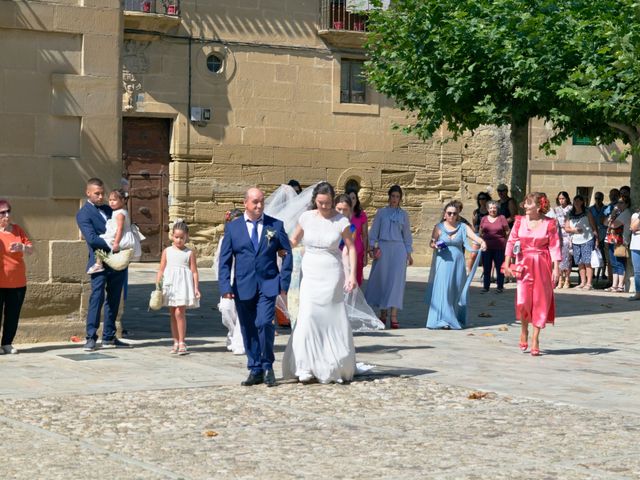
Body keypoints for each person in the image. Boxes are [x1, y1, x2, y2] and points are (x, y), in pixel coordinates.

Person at [282, 182, 357, 384]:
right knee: (307, 316)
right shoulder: (306, 217)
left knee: (330, 317)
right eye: (320, 203)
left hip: (332, 273)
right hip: (311, 273)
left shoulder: (341, 220)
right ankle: (304, 364)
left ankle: (333, 362)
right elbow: (294, 240)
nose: (324, 207)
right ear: (315, 200)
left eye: (328, 203)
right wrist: (275, 243)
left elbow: (351, 247)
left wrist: (351, 276)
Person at [218, 187, 293, 387]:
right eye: (255, 202)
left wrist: (283, 281)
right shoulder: (233, 229)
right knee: (248, 327)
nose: (259, 206)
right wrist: (225, 286)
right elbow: (225, 260)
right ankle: (255, 368)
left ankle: (268, 365)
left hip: (268, 284)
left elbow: (286, 253)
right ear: (245, 203)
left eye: (261, 201)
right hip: (243, 286)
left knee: (264, 323)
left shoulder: (275, 225)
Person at [504, 192, 561, 357]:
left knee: (540, 301)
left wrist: (556, 268)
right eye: (525, 203)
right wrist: (507, 263)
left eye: (528, 203)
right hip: (523, 263)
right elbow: (511, 241)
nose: (525, 206)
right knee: (523, 302)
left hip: (542, 263)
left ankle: (535, 338)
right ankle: (524, 330)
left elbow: (555, 246)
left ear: (538, 206)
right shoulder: (519, 221)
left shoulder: (549, 223)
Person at [76, 178, 129, 351]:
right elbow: (91, 239)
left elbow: (122, 226)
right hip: (99, 260)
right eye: (97, 194)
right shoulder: (83, 214)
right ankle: (91, 337)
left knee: (114, 299)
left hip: (117, 260)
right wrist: (114, 243)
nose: (101, 197)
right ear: (88, 192)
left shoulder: (109, 209)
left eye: (102, 193)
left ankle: (109, 337)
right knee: (96, 299)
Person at [425, 201, 487, 329]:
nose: (452, 215)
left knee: (456, 289)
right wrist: (435, 244)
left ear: (458, 215)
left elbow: (475, 237)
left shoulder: (463, 227)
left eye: (455, 213)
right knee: (443, 289)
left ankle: (453, 317)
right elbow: (432, 242)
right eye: (449, 213)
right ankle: (443, 320)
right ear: (445, 215)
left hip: (458, 263)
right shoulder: (438, 227)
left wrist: (483, 242)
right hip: (443, 262)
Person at [365, 185, 413, 329]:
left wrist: (408, 253)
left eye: (397, 197)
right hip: (384, 249)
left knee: (396, 283)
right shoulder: (381, 213)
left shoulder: (404, 215)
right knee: (383, 281)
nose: (394, 199)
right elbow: (374, 232)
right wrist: (372, 247)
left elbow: (407, 235)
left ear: (400, 199)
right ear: (389, 197)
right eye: (392, 196)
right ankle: (383, 313)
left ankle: (394, 316)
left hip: (399, 250)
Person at [335, 195, 384, 332]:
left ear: (349, 211)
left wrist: (349, 274)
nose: (341, 213)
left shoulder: (351, 228)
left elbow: (346, 250)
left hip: (339, 262)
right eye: (338, 209)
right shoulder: (325, 224)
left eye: (344, 210)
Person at [157, 220, 200, 355]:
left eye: (182, 237)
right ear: (172, 236)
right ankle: (175, 341)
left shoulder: (189, 253)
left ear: (186, 236)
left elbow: (194, 271)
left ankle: (182, 341)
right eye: (176, 237)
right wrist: (158, 285)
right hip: (170, 284)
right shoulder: (167, 251)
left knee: (179, 312)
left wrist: (196, 288)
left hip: (183, 284)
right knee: (172, 313)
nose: (179, 240)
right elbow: (161, 269)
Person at [0, 199, 33, 354]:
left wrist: (23, 247)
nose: (7, 215)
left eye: (8, 211)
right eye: (2, 212)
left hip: (18, 281)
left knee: (13, 315)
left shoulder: (18, 230)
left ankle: (7, 343)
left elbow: (31, 249)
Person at [86, 188, 141, 274]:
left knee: (99, 242)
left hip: (122, 238)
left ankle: (98, 264)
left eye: (114, 200)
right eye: (110, 200)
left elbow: (120, 229)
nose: (111, 202)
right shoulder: (118, 211)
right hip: (119, 236)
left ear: (123, 200)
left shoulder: (120, 214)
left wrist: (116, 243)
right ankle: (99, 263)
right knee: (101, 242)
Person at [213, 209, 245, 355]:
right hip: (229, 278)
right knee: (226, 309)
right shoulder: (224, 239)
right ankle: (232, 332)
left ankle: (239, 340)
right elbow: (220, 261)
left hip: (243, 278)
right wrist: (222, 282)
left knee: (241, 311)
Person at [564, 195, 598, 290]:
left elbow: (593, 226)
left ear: (582, 202)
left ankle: (589, 283)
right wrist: (574, 230)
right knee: (579, 262)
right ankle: (582, 282)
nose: (577, 203)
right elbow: (566, 228)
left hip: (588, 239)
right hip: (575, 241)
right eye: (575, 201)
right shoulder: (570, 214)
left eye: (579, 201)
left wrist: (597, 239)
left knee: (587, 262)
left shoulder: (587, 212)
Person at [479, 200, 509, 293]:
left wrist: (506, 241)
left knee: (499, 267)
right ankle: (486, 287)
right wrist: (482, 241)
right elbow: (481, 231)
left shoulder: (501, 218)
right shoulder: (484, 218)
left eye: (494, 208)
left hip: (499, 246)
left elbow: (507, 231)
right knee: (486, 267)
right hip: (486, 247)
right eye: (491, 208)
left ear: (497, 209)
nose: (493, 210)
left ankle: (500, 287)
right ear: (488, 209)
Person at [604, 199, 632, 293]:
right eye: (618, 202)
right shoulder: (618, 213)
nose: (619, 204)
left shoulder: (626, 213)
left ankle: (620, 285)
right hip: (613, 240)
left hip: (621, 241)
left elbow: (614, 225)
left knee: (620, 263)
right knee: (613, 263)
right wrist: (613, 213)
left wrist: (612, 215)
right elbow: (604, 222)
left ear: (627, 203)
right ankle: (614, 285)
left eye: (621, 202)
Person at [346, 188, 368, 286]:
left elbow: (365, 235)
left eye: (354, 198)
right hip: (342, 250)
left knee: (356, 278)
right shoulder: (341, 214)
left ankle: (354, 300)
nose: (352, 201)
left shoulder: (362, 215)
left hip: (358, 251)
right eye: (349, 198)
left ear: (357, 200)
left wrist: (365, 254)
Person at [552, 191, 573, 289]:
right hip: (559, 235)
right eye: (560, 198)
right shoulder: (556, 209)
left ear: (567, 198)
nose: (561, 200)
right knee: (559, 258)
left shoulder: (571, 208)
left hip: (568, 235)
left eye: (563, 198)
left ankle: (567, 279)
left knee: (567, 258)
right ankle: (560, 279)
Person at [603, 188, 621, 284]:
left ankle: (619, 283)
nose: (612, 196)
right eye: (611, 194)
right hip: (608, 236)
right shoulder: (608, 207)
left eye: (615, 194)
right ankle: (611, 281)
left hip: (618, 236)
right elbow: (604, 221)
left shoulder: (620, 207)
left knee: (618, 260)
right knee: (610, 261)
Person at [589, 192, 608, 282]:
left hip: (604, 233)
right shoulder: (590, 209)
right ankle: (592, 273)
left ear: (602, 198)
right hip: (593, 233)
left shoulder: (606, 208)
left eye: (599, 198)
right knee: (593, 254)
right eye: (596, 198)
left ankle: (603, 273)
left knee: (603, 255)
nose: (598, 200)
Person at [630, 208, 640, 300]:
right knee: (637, 271)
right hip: (636, 246)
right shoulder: (635, 215)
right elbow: (633, 228)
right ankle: (638, 293)